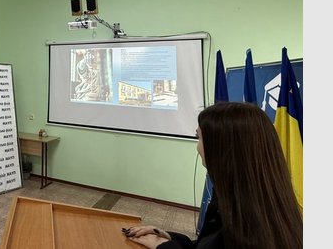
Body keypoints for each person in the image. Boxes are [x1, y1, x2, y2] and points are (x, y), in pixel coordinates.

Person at [125, 102, 302, 249]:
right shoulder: (259, 198)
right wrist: (167, 237)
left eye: (199, 137)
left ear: (221, 148)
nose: (197, 147)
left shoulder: (248, 226)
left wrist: (163, 246)